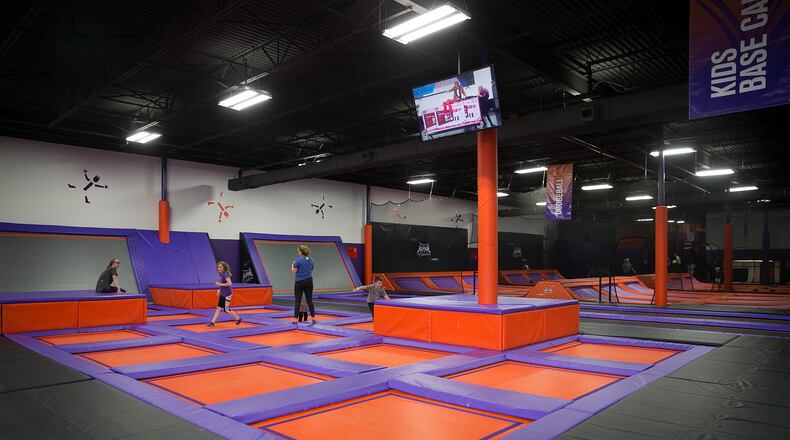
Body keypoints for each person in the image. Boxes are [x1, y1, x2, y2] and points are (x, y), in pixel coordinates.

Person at [207, 261, 242, 327]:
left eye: (220, 267)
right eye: (218, 267)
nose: (218, 268)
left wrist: (219, 284)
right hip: (223, 293)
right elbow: (222, 284)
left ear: (224, 268)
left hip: (228, 294)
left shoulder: (225, 274)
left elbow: (229, 283)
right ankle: (212, 322)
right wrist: (219, 290)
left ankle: (238, 318)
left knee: (226, 310)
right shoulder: (221, 274)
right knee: (218, 308)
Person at [291, 245, 316, 324]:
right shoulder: (311, 260)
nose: (298, 252)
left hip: (300, 281)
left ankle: (295, 320)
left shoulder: (297, 260)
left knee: (297, 301)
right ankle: (313, 318)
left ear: (301, 251)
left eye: (298, 251)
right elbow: (311, 269)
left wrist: (292, 265)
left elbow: (293, 272)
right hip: (309, 281)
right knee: (310, 301)